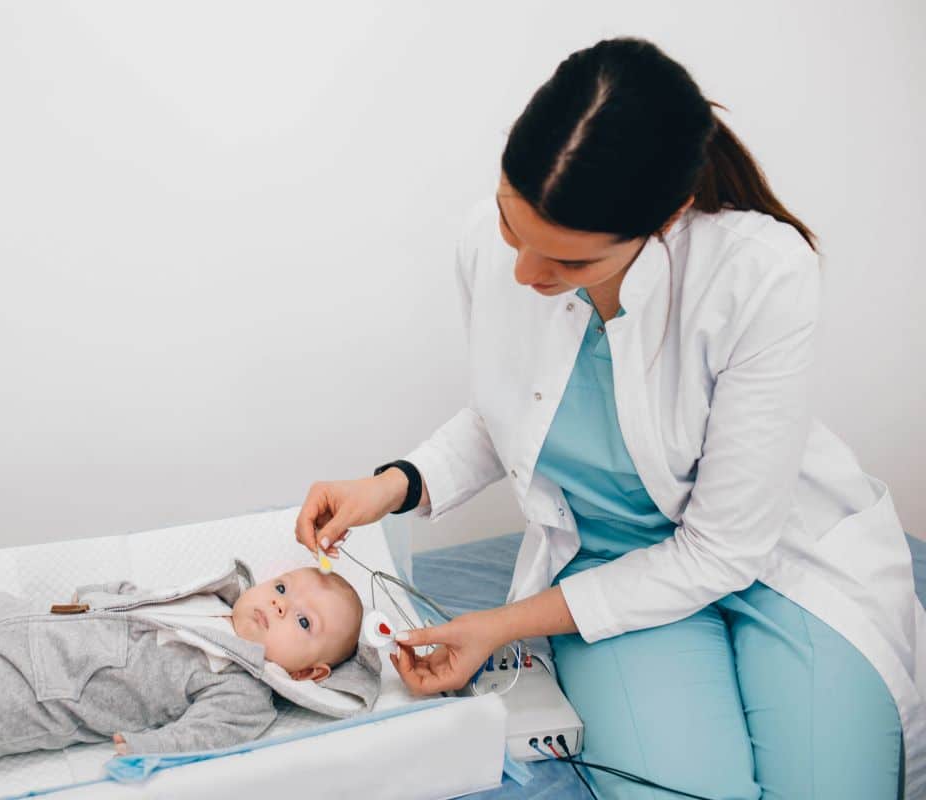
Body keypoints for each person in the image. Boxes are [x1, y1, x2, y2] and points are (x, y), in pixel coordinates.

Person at [295, 37, 924, 800]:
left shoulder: (760, 274)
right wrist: (394, 483)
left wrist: (501, 625)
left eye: (568, 265)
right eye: (510, 229)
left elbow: (720, 552)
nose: (527, 274)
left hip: (772, 560)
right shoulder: (491, 250)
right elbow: (515, 413)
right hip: (608, 571)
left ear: (669, 217)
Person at [0, 560, 375, 768]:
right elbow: (140, 593)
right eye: (283, 586)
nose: (280, 603)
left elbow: (207, 737)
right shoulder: (210, 597)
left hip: (43, 690)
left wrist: (149, 749)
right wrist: (99, 593)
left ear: (307, 673)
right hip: (37, 620)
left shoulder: (242, 688)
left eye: (303, 623)